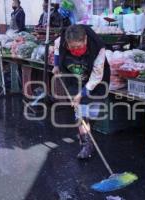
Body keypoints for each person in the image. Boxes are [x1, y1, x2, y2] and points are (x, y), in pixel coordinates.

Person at [54, 25, 110, 159]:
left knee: (93, 113)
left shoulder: (98, 48)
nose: (76, 50)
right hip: (74, 79)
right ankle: (86, 144)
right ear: (67, 43)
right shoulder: (60, 41)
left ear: (85, 39)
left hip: (95, 82)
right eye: (72, 48)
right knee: (81, 114)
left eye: (79, 47)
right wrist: (56, 65)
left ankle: (86, 132)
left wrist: (82, 94)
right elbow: (56, 48)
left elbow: (96, 76)